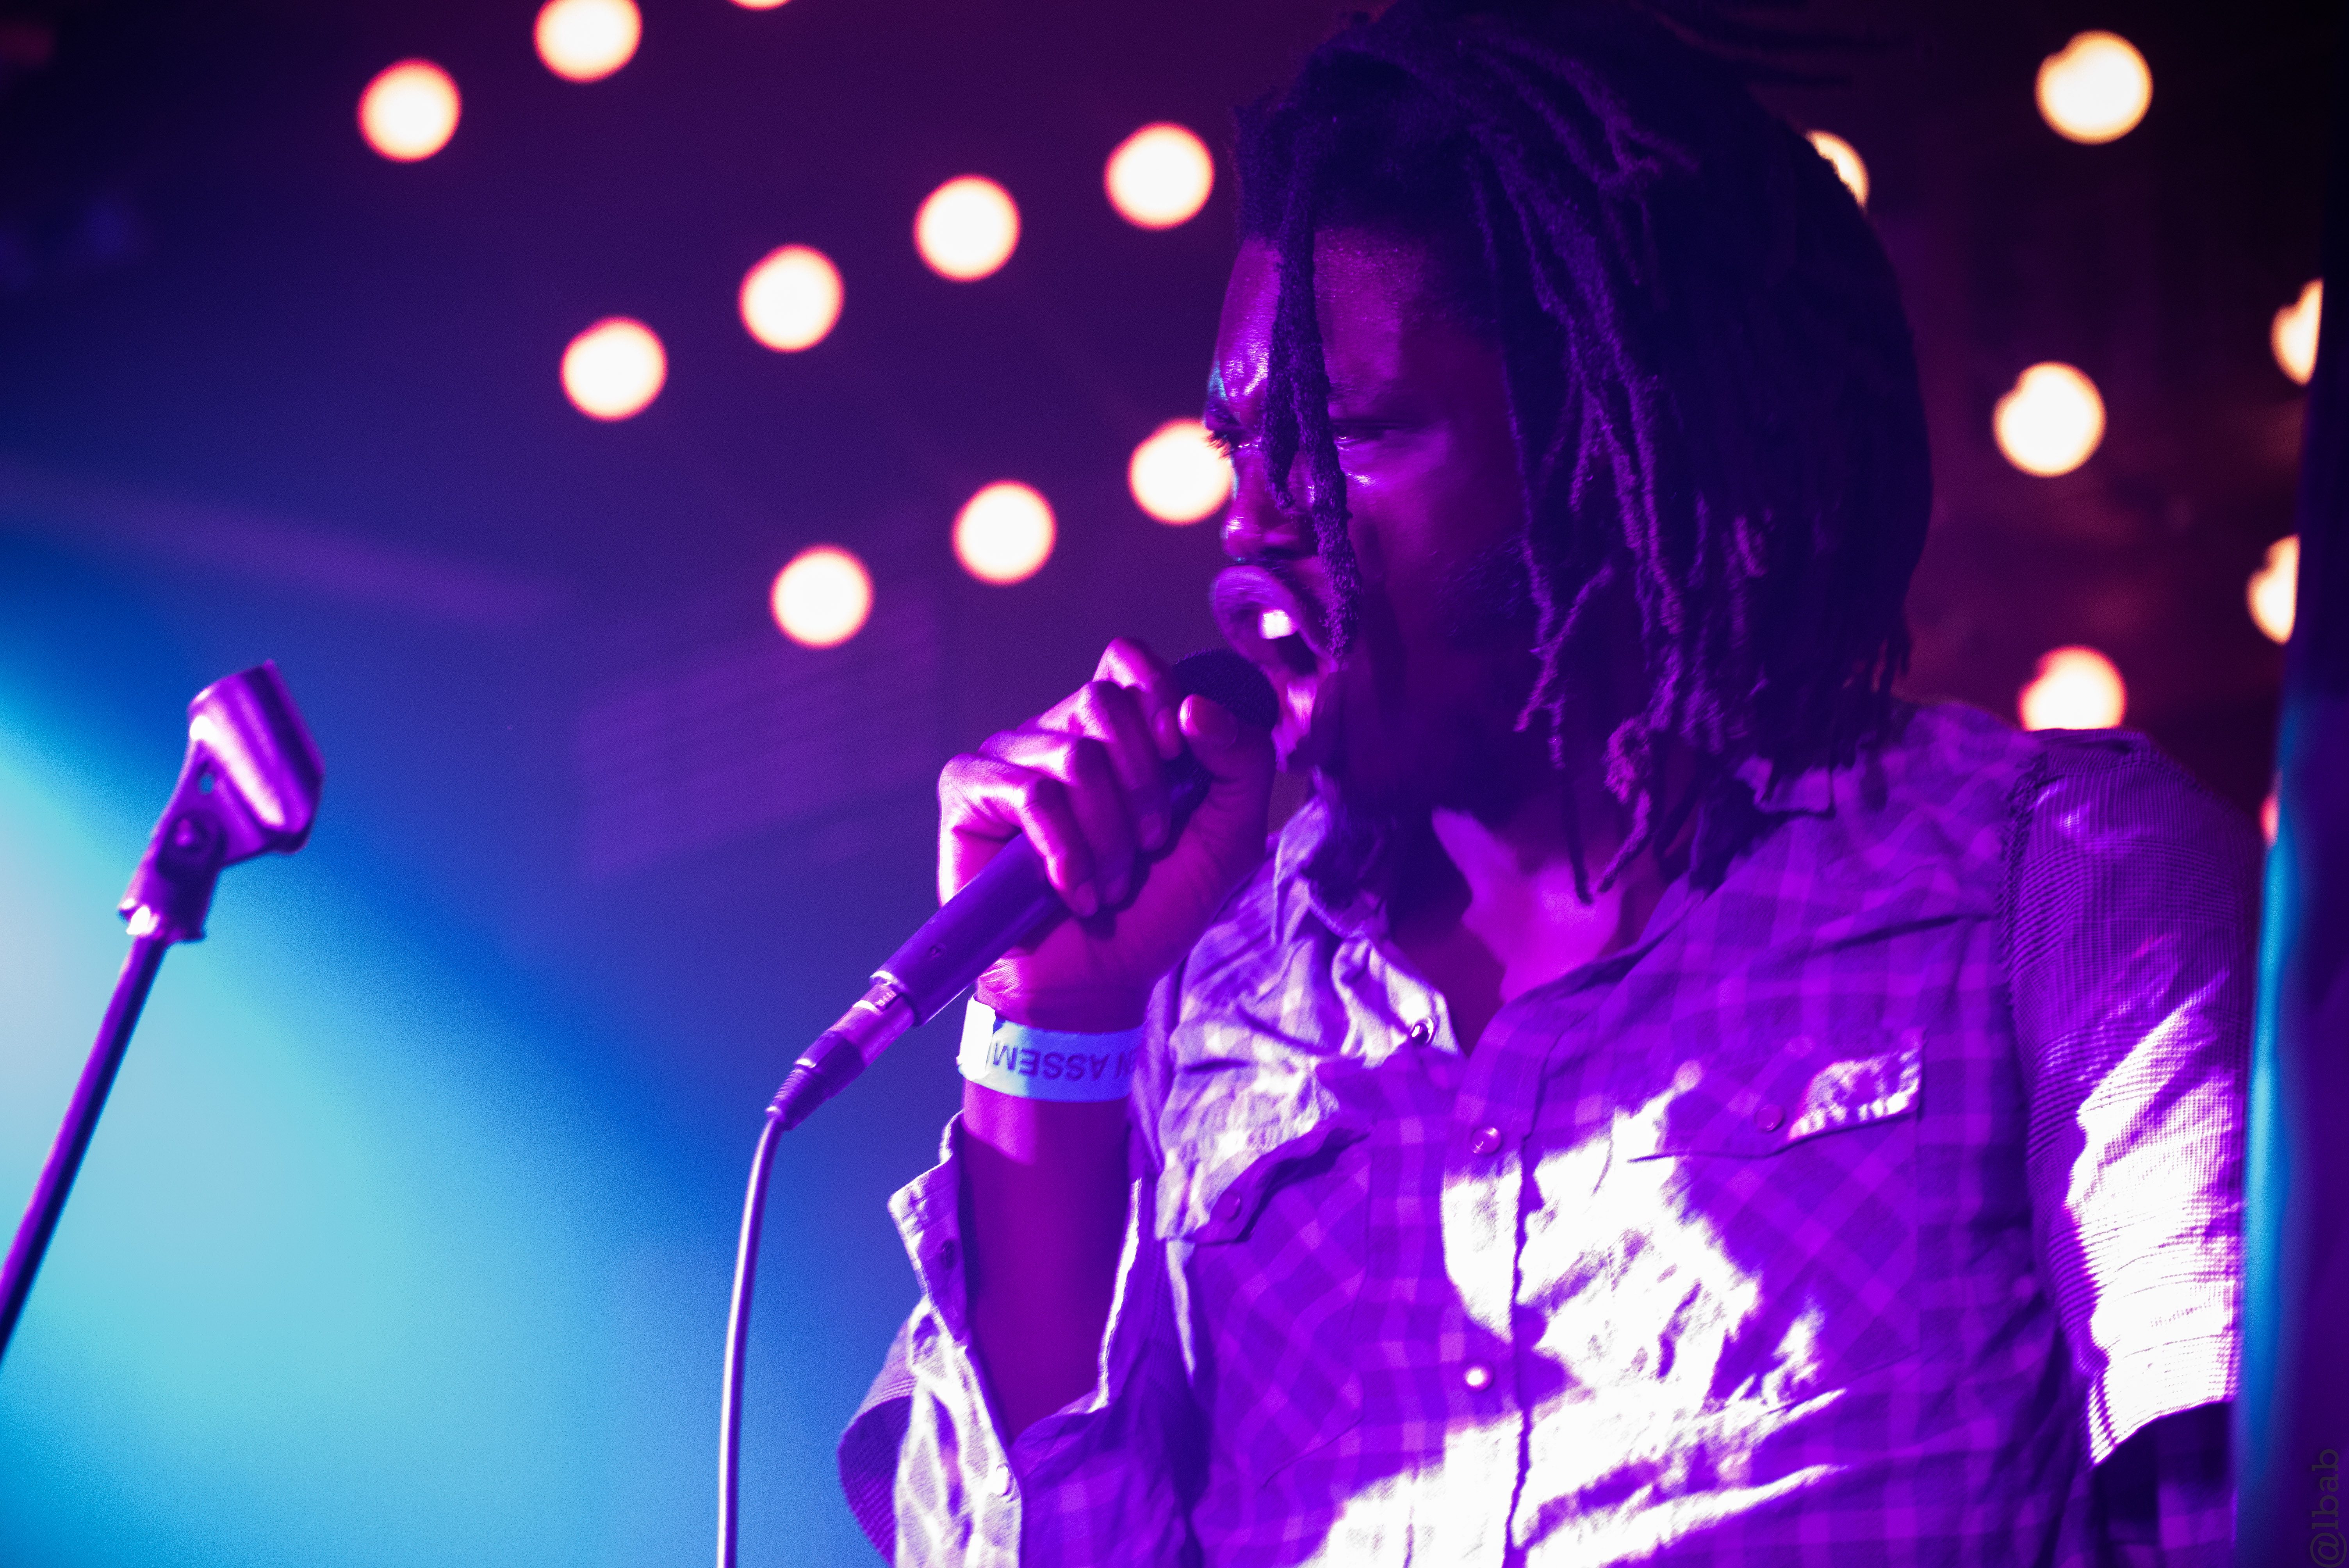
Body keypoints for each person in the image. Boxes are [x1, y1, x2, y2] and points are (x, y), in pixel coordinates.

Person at [838, 2, 2253, 1562]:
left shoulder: (2045, 886)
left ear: (1617, 441)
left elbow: (2244, 1511)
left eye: (1352, 432)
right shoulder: (1198, 1008)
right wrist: (1049, 1038)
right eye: (1240, 445)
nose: (1257, 518)